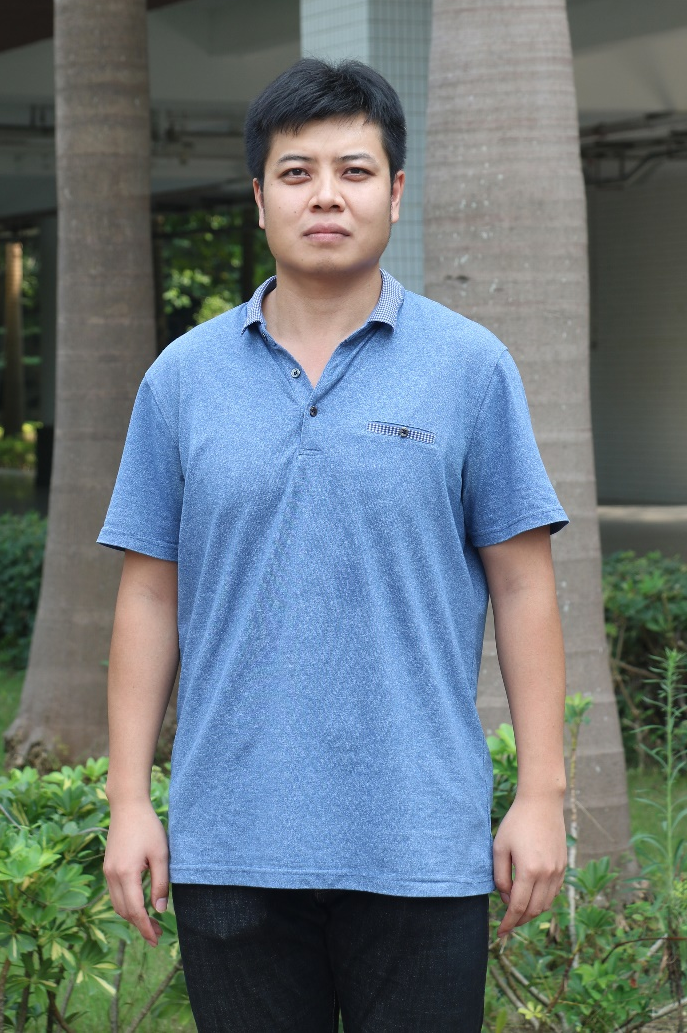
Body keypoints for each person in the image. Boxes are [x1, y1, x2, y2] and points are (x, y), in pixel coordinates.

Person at [99, 57, 569, 1033]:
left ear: (394, 194)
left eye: (354, 171)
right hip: (232, 839)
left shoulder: (469, 368)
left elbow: (524, 585)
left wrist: (540, 793)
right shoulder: (181, 379)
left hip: (420, 837)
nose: (325, 195)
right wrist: (128, 800)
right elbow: (148, 594)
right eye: (296, 171)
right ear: (258, 197)